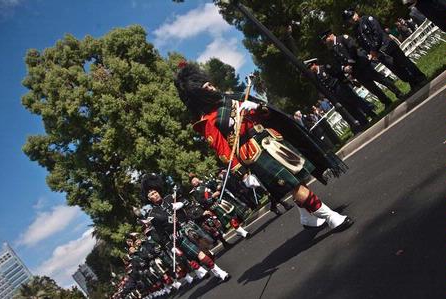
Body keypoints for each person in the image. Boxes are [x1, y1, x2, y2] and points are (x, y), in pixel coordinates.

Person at [174, 63, 353, 233]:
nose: (211, 88)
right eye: (206, 88)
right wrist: (243, 174)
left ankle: (306, 216)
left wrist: (257, 107)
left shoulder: (233, 98)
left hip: (272, 139)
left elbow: (265, 115)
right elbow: (223, 151)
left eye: (209, 84)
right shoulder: (208, 121)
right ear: (199, 95)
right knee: (295, 186)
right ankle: (331, 217)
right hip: (254, 153)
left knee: (298, 180)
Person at [140, 173, 230, 281]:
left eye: (155, 192)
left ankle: (211, 268)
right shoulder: (153, 215)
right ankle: (220, 272)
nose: (155, 195)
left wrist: (180, 203)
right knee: (200, 254)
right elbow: (161, 234)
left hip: (189, 226)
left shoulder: (170, 198)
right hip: (177, 236)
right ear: (149, 199)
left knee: (207, 251)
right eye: (152, 195)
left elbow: (183, 197)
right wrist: (170, 246)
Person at [342, 9, 427, 91]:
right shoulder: (356, 30)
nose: (352, 18)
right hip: (379, 54)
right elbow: (363, 44)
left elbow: (377, 33)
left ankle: (420, 77)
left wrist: (373, 49)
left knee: (405, 63)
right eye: (349, 19)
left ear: (356, 13)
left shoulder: (368, 19)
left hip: (387, 46)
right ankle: (412, 82)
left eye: (352, 15)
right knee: (397, 70)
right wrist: (371, 53)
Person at [320, 29, 404, 109]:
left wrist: (350, 64)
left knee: (381, 79)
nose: (325, 42)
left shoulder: (342, 38)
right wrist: (344, 68)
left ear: (330, 36)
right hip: (356, 72)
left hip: (362, 65)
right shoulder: (333, 49)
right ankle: (386, 102)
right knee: (372, 88)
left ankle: (398, 93)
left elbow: (353, 48)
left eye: (325, 40)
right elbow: (338, 62)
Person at [305, 58, 376, 131]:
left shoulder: (325, 67)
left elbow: (337, 74)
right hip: (335, 93)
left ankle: (371, 114)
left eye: (310, 67)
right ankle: (364, 122)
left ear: (314, 64)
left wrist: (348, 81)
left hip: (340, 87)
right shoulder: (317, 76)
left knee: (356, 101)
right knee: (350, 108)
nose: (310, 69)